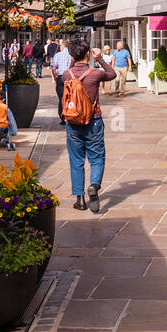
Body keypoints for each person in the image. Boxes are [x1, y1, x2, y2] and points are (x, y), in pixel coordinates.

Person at [63, 38, 114, 213]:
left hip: (72, 122)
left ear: (71, 55)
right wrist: (99, 58)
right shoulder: (95, 74)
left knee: (76, 160)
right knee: (97, 157)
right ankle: (93, 186)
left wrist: (73, 58)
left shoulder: (66, 75)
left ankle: (80, 199)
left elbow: (69, 70)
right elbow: (112, 74)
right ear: (88, 54)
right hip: (93, 120)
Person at [51, 39, 73, 125]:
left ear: (63, 46)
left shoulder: (58, 55)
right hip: (70, 78)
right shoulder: (72, 56)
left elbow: (53, 68)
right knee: (70, 98)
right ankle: (70, 115)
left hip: (60, 78)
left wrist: (55, 76)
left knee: (61, 98)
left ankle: (62, 117)